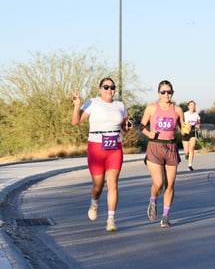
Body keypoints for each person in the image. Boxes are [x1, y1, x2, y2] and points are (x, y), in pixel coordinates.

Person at [71, 77, 134, 232]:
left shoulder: (120, 105)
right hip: (96, 147)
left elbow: (124, 125)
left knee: (112, 184)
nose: (109, 90)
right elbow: (75, 121)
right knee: (98, 186)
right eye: (106, 87)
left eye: (112, 87)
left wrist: (128, 126)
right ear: (100, 89)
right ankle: (94, 202)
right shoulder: (92, 102)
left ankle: (111, 219)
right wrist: (77, 105)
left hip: (115, 148)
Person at [140, 80, 185, 228]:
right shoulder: (151, 108)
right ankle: (153, 200)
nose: (166, 94)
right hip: (155, 147)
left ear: (172, 93)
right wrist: (148, 133)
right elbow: (142, 126)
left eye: (169, 92)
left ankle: (165, 216)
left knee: (170, 184)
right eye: (163, 92)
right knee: (158, 183)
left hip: (171, 147)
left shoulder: (177, 110)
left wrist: (189, 129)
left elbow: (183, 130)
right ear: (158, 93)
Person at [182, 100, 201, 171]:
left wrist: (198, 126)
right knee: (186, 150)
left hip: (193, 131)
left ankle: (190, 165)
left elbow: (199, 123)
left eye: (193, 105)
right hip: (186, 131)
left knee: (192, 147)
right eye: (191, 105)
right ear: (188, 106)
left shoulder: (196, 115)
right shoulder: (184, 114)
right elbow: (181, 123)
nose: (192, 106)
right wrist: (184, 127)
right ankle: (186, 154)